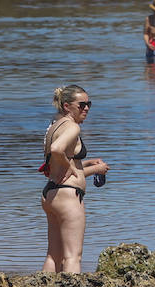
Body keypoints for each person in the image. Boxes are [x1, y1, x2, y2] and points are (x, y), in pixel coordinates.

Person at [40, 84, 109, 273]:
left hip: (51, 195)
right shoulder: (72, 128)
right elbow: (57, 152)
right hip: (68, 198)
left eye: (89, 104)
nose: (86, 108)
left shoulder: (54, 126)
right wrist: (83, 168)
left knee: (53, 256)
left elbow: (60, 165)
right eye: (81, 105)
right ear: (67, 106)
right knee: (73, 256)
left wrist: (89, 165)